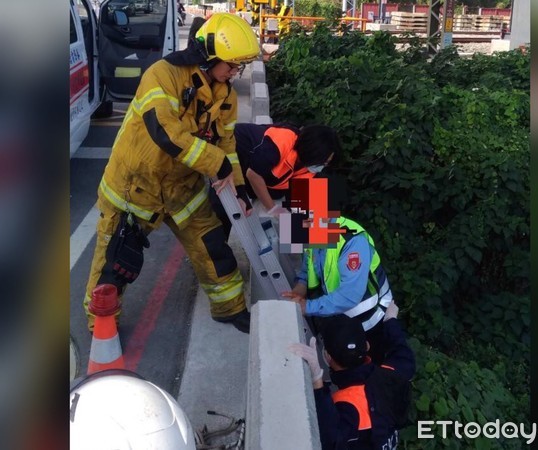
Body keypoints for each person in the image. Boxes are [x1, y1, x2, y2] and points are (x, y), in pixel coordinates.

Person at [83, 13, 260, 333]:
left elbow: (228, 145)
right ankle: (102, 327)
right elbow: (164, 132)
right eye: (232, 65)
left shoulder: (226, 95)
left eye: (240, 66)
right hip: (135, 187)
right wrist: (214, 161)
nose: (236, 73)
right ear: (209, 56)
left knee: (212, 246)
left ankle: (230, 308)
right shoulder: (162, 75)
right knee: (115, 263)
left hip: (183, 188)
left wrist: (238, 186)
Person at [282, 175, 396, 363]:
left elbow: (350, 295)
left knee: (368, 367)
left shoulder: (353, 242)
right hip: (340, 315)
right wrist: (298, 292)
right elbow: (306, 270)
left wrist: (306, 306)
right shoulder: (312, 231)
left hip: (369, 320)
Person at [289, 304, 415, 449]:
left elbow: (329, 441)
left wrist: (317, 381)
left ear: (327, 356)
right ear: (367, 346)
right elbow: (404, 355)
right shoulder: (391, 374)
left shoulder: (345, 403)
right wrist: (390, 320)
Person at [209, 123, 340, 237]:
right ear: (313, 152)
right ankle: (215, 253)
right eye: (323, 161)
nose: (323, 166)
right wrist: (273, 209)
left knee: (285, 197)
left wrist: (317, 218)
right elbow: (253, 174)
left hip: (258, 173)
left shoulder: (307, 166)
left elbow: (304, 194)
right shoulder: (282, 141)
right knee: (224, 211)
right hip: (233, 157)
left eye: (327, 163)